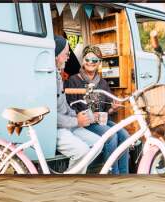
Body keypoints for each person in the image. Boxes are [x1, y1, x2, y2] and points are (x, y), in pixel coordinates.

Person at [65, 45, 130, 174]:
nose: (90, 63)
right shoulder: (73, 80)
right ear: (83, 60)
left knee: (125, 136)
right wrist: (90, 115)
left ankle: (124, 174)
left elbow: (107, 110)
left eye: (95, 60)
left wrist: (113, 108)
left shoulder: (103, 83)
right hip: (85, 122)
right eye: (87, 59)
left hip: (101, 121)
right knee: (111, 136)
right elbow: (71, 108)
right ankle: (112, 174)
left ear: (99, 63)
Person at [54, 36, 102, 174]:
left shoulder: (58, 75)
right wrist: (77, 120)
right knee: (83, 151)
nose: (68, 58)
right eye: (66, 54)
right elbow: (51, 116)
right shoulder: (49, 78)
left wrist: (77, 116)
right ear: (56, 55)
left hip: (69, 124)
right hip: (57, 128)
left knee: (99, 143)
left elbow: (63, 106)